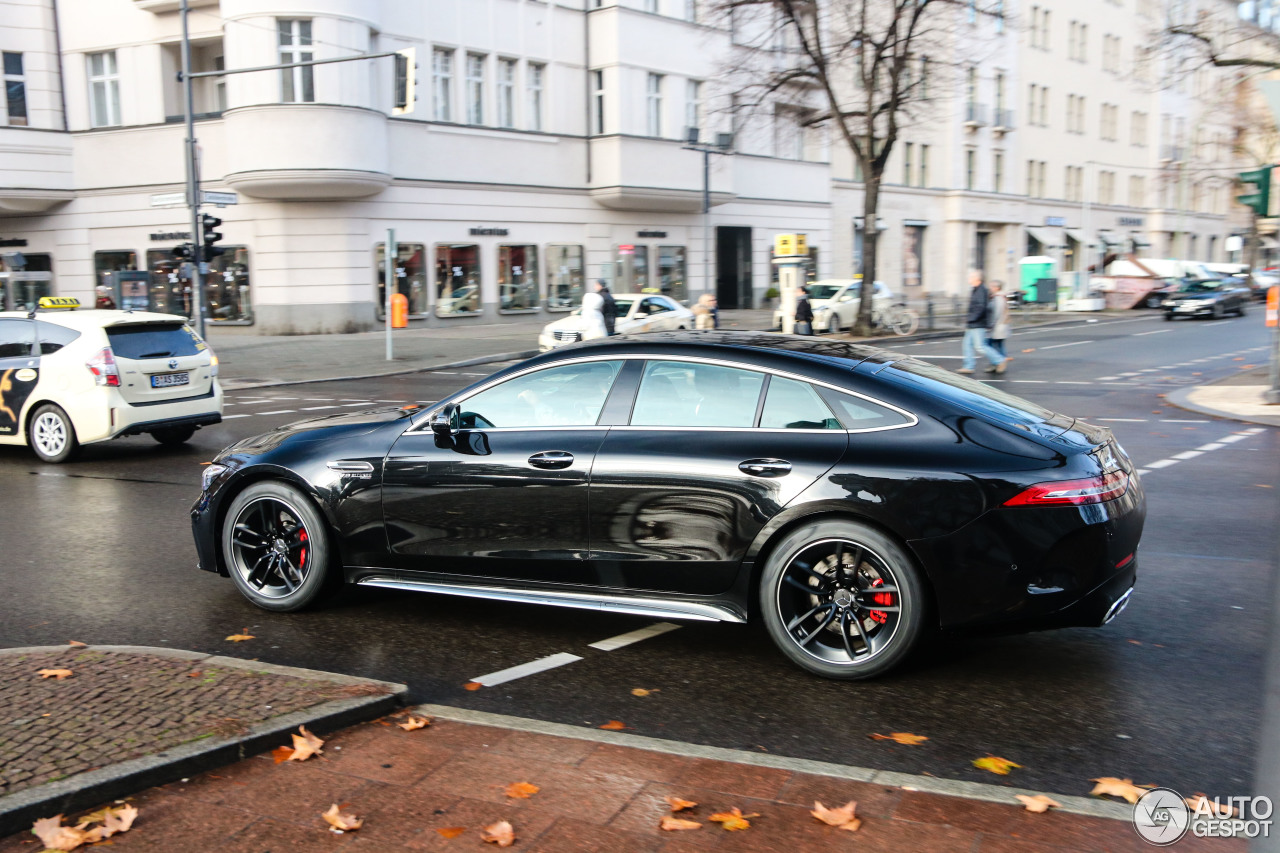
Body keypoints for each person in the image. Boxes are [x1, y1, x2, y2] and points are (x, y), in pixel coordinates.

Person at [958, 270, 1006, 375]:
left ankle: (999, 360)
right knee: (967, 344)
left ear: (977, 279)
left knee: (980, 346)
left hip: (978, 323)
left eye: (970, 277)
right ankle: (968, 366)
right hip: (973, 323)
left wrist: (971, 318)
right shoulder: (976, 289)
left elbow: (980, 307)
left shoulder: (981, 290)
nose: (969, 279)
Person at [986, 279, 1011, 359]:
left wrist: (990, 325)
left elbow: (996, 313)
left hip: (998, 326)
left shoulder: (998, 298)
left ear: (997, 288)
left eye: (991, 286)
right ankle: (1002, 359)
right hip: (1002, 325)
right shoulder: (1002, 297)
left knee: (989, 344)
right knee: (999, 345)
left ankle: (999, 361)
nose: (990, 288)